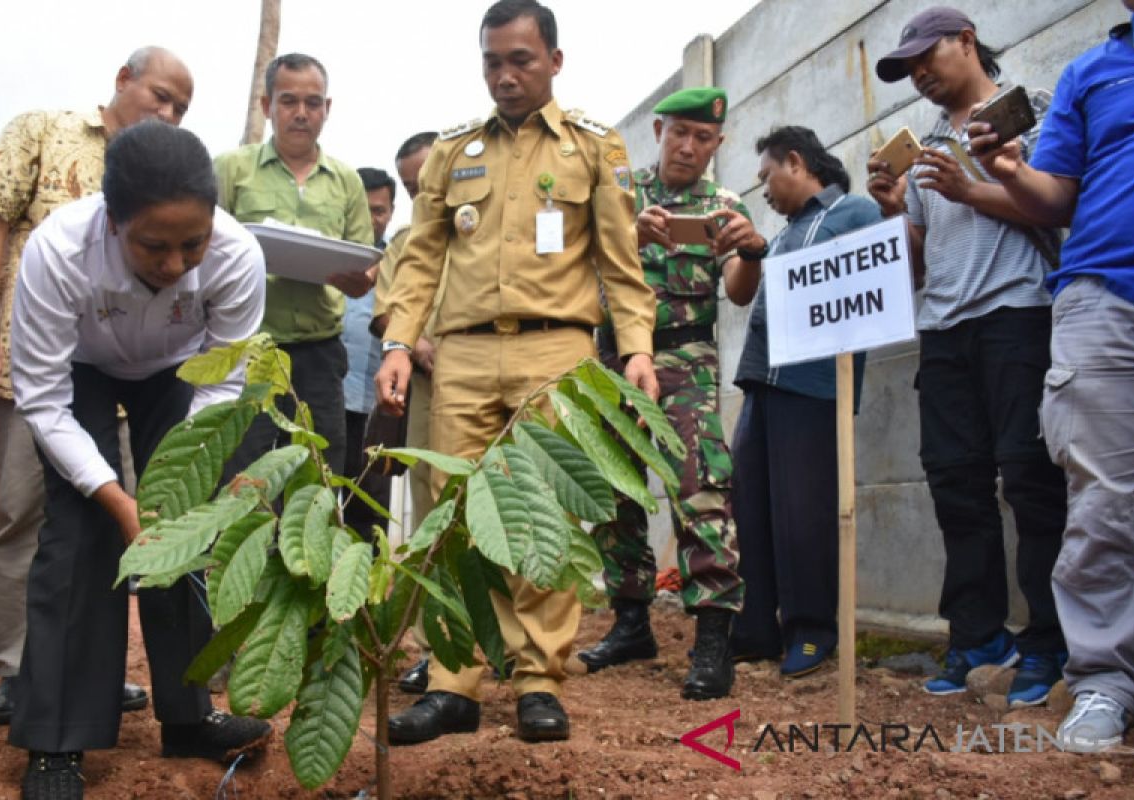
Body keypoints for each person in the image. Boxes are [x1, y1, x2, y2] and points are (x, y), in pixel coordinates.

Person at [376, 0, 657, 745]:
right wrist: (399, 341)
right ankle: (452, 682)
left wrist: (635, 349)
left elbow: (620, 265)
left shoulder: (593, 147)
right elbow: (420, 259)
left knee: (547, 515)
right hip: (462, 351)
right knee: (449, 518)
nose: (504, 76)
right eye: (492, 62)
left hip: (554, 351)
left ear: (554, 61)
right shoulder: (452, 150)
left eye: (520, 61)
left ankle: (538, 679)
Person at [8, 120, 271, 799]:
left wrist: (171, 483)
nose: (177, 264)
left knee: (182, 533)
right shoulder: (57, 251)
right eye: (154, 246)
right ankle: (57, 739)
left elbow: (223, 381)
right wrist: (115, 497)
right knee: (79, 535)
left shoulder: (238, 255)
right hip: (81, 372)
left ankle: (188, 717)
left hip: (183, 374)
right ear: (113, 220)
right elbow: (42, 400)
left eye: (194, 243)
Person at [0, 45, 193, 724]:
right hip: (40, 363)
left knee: (107, 516)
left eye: (181, 108)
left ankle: (85, 671)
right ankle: (20, 667)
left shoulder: (167, 180)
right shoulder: (44, 131)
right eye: (162, 97)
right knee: (26, 514)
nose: (169, 114)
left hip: (128, 367)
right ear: (123, 80)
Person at [867, 6, 1068, 706]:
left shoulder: (1032, 111)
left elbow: (1056, 207)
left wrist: (970, 189)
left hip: (1019, 315)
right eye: (907, 67)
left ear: (967, 41)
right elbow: (916, 268)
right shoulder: (925, 148)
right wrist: (896, 206)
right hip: (944, 330)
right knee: (956, 486)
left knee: (1032, 479)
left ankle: (1051, 642)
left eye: (928, 55)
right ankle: (979, 637)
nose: (919, 73)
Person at [968, 0, 1134, 751]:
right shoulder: (1091, 72)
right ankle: (1107, 681)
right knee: (1104, 503)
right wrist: (1011, 170)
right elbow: (1057, 197)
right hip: (1106, 299)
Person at [578, 87, 755, 701]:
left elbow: (737, 291)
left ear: (718, 142)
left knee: (700, 486)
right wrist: (633, 237)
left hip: (686, 356)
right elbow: (581, 275)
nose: (688, 146)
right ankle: (630, 623)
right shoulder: (623, 199)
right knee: (612, 488)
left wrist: (751, 250)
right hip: (613, 355)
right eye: (679, 132)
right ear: (658, 129)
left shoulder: (725, 205)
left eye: (702, 137)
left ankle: (712, 640)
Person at [727, 126, 880, 679]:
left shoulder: (854, 213)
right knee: (753, 505)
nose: (763, 190)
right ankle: (758, 628)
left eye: (767, 176)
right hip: (762, 382)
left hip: (812, 386)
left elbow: (865, 291)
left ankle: (812, 630)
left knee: (804, 511)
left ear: (796, 162)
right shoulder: (785, 234)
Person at [215, 53, 374, 481]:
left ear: (327, 108)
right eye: (288, 101)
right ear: (267, 107)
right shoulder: (232, 169)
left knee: (320, 472)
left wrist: (358, 279)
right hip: (251, 351)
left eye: (313, 102)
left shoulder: (346, 180)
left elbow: (365, 268)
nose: (301, 113)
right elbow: (206, 252)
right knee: (244, 471)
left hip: (320, 353)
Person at [370, 131, 442, 695]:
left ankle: (517, 650)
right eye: (411, 189)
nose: (421, 198)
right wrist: (417, 348)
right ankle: (435, 647)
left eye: (427, 183)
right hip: (429, 387)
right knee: (429, 512)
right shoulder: (403, 244)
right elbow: (386, 310)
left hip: (497, 384)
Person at [340, 167, 394, 539]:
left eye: (379, 210)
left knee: (369, 513)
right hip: (331, 402)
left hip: (380, 408)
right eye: (364, 209)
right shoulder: (329, 258)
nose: (371, 218)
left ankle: (367, 596)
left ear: (391, 212)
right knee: (316, 502)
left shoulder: (405, 262)